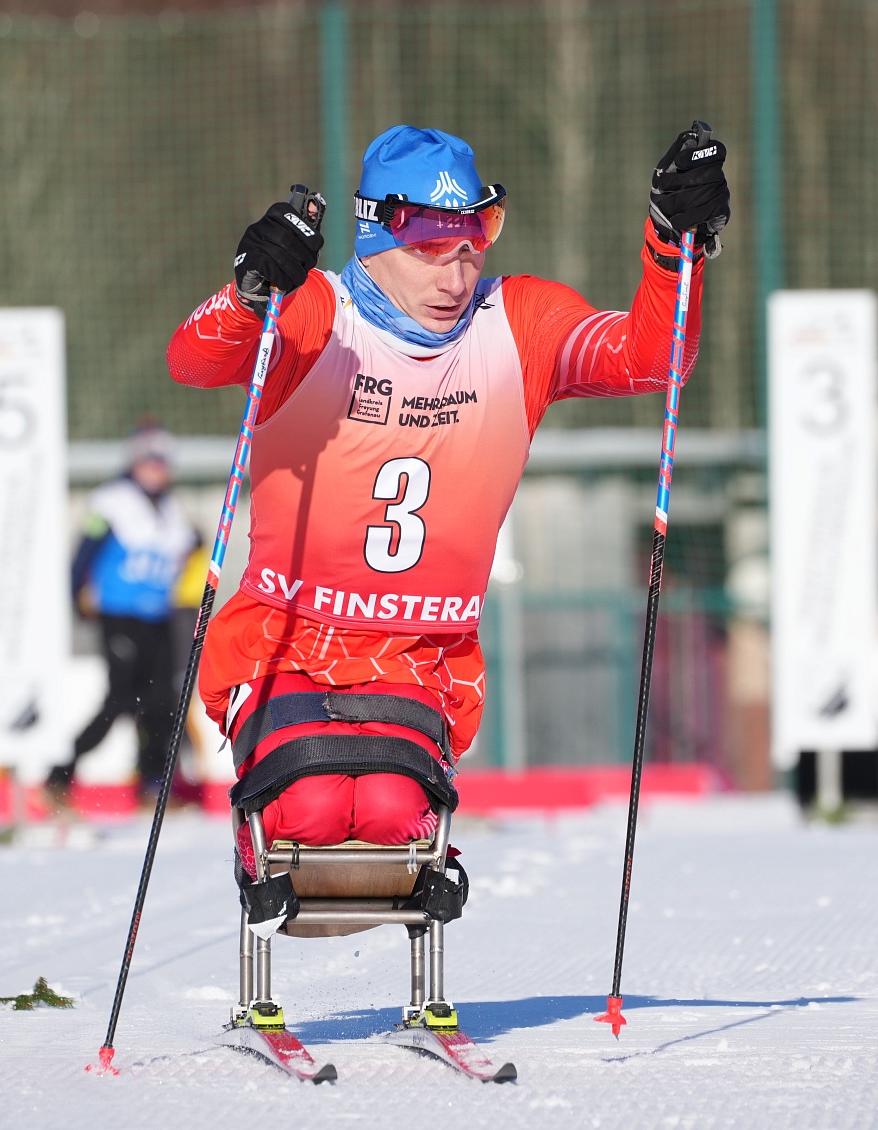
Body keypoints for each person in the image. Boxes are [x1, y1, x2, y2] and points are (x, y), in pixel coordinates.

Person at [166, 123, 729, 861]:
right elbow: (193, 361)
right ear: (374, 237)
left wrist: (674, 245)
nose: (455, 279)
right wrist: (248, 296)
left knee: (392, 817)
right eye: (429, 251)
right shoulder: (315, 313)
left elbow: (654, 357)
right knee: (309, 809)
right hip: (287, 641)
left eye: (470, 246)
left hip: (421, 652)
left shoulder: (519, 322)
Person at [47, 425, 202, 806]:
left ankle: (152, 783)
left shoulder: (171, 507)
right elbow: (84, 553)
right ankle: (59, 775)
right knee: (119, 700)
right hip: (120, 615)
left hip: (158, 617)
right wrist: (76, 600)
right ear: (134, 462)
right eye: (149, 461)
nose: (157, 469)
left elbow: (191, 542)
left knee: (161, 702)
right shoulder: (110, 502)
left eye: (162, 462)